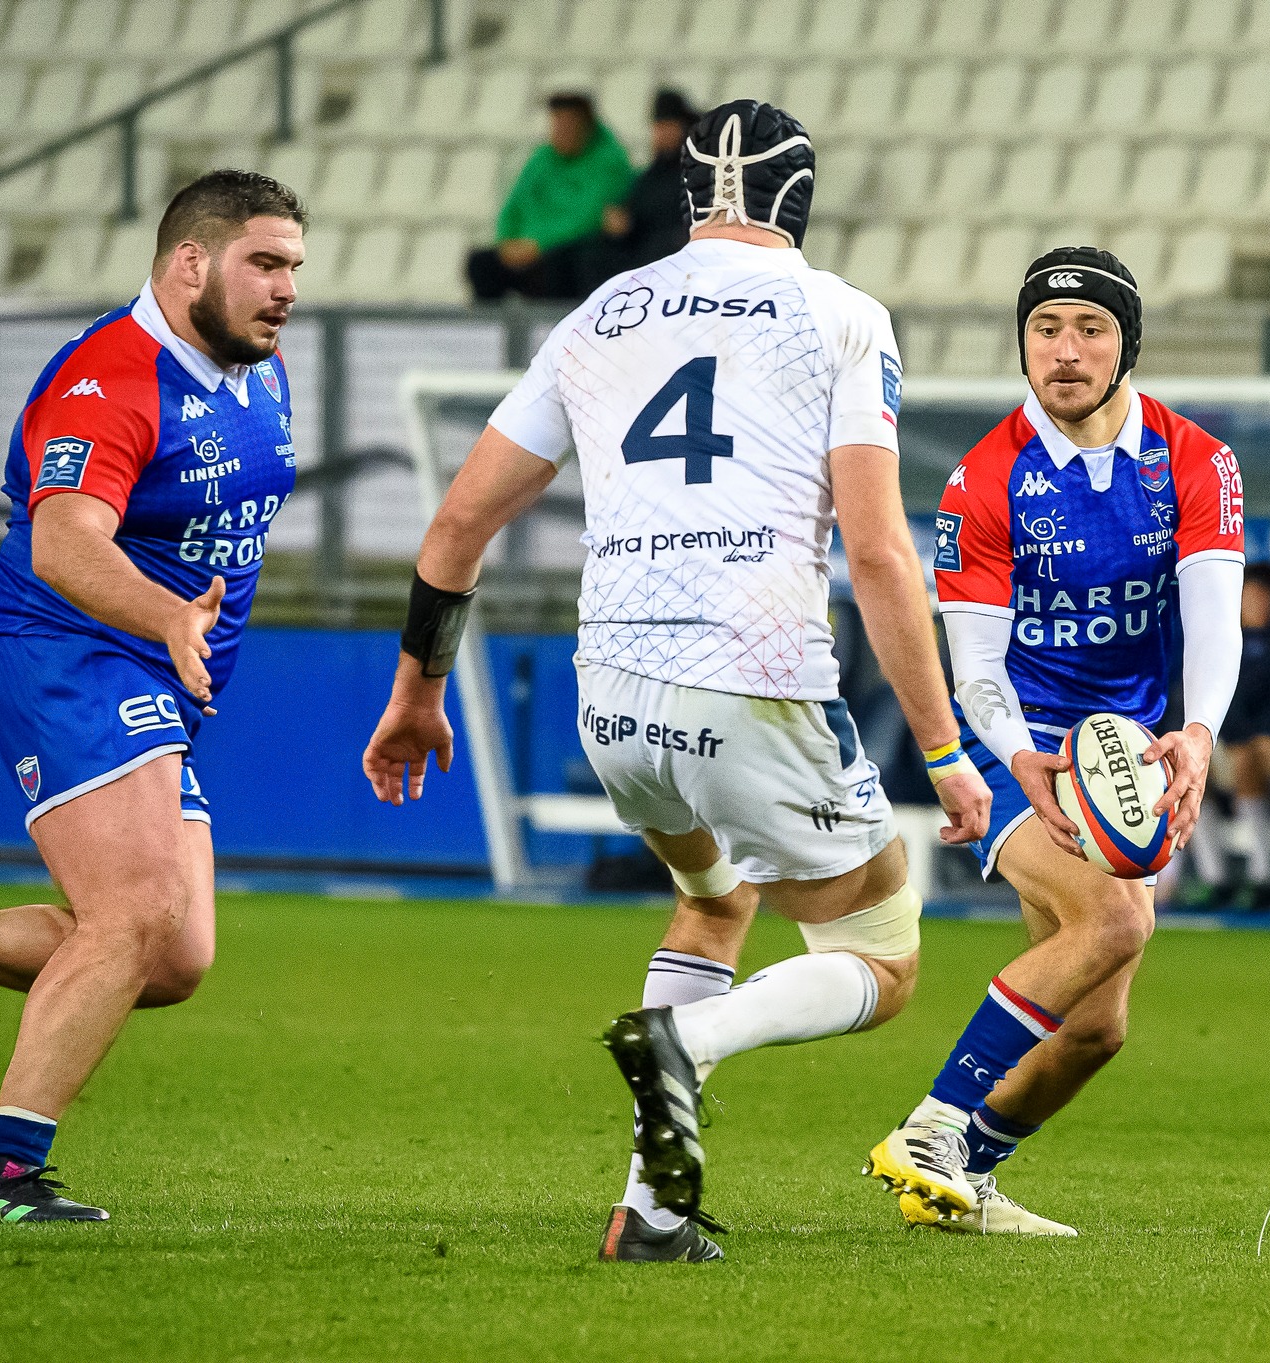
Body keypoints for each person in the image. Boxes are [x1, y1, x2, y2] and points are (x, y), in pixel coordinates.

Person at [362, 101, 992, 1264]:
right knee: (883, 953)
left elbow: (456, 524)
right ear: (802, 197)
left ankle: (649, 1215)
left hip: (610, 696)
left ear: (690, 194)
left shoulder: (601, 311)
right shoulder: (841, 317)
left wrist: (417, 692)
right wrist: (944, 749)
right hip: (748, 684)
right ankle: (686, 1046)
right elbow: (875, 552)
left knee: (715, 899)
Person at [0, 170, 306, 1220]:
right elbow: (63, 541)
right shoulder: (109, 377)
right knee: (138, 911)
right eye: (265, 263)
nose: (285, 290)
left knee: (175, 957)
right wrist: (165, 620)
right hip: (63, 652)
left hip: (160, 675)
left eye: (293, 269)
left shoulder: (257, 371)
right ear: (189, 262)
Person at [862, 245, 1244, 1236]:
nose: (1064, 351)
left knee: (1095, 1030)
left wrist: (1197, 734)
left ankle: (961, 1181)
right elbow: (974, 661)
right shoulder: (983, 480)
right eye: (1044, 328)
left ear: (1126, 347)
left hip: (1125, 755)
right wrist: (1013, 752)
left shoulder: (1196, 460)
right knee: (1116, 923)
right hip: (1015, 747)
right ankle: (933, 1128)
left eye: (1089, 329)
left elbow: (1214, 619)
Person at [1184, 559, 1270, 909]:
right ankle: (1216, 879)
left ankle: (1266, 877)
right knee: (1185, 769)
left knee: (1245, 760)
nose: (1258, 604)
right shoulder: (1219, 637)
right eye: (1252, 595)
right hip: (1223, 742)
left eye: (1266, 596)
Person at [466, 92, 636, 304]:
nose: (559, 131)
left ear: (586, 126)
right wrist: (507, 242)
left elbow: (590, 217)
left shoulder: (610, 162)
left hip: (566, 251)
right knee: (481, 263)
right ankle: (488, 332)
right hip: (531, 248)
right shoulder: (541, 159)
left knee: (562, 263)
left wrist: (537, 245)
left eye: (567, 124)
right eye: (556, 124)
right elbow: (513, 206)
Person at [583, 88, 696, 280]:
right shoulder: (649, 177)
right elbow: (635, 218)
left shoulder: (696, 174)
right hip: (643, 250)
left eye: (669, 126)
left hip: (676, 251)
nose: (662, 134)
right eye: (659, 127)